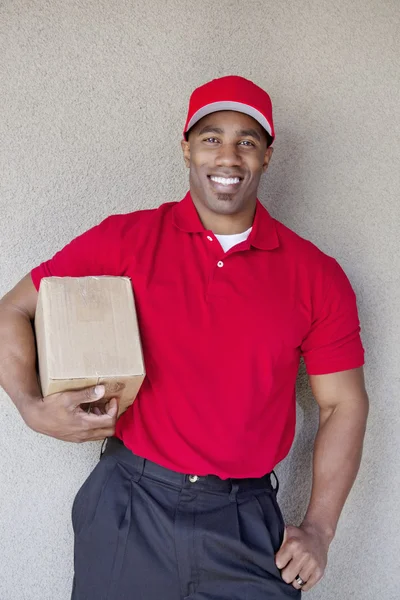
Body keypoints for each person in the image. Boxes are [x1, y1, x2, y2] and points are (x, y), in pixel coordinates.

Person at [0, 75, 369, 599]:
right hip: (130, 504)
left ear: (267, 155)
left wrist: (319, 529)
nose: (228, 156)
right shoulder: (125, 240)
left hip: (245, 522)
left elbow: (342, 406)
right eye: (211, 138)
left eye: (247, 141)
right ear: (186, 148)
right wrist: (31, 406)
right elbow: (10, 311)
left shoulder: (316, 274)